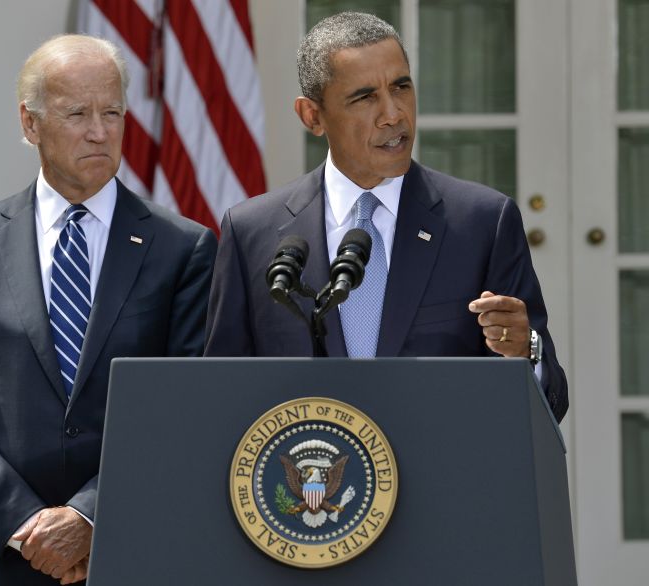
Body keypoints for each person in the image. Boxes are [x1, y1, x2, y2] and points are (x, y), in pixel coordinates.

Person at [0, 34, 216, 585]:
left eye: (112, 112)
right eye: (77, 113)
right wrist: (27, 525)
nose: (99, 131)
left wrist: (89, 515)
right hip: (1, 556)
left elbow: (186, 408)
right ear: (30, 124)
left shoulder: (184, 249)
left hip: (133, 551)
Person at [204, 12, 568, 423]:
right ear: (312, 116)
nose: (393, 114)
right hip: (309, 482)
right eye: (364, 97)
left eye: (401, 87)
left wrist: (525, 352)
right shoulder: (253, 232)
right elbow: (222, 397)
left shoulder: (482, 223)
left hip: (443, 481)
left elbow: (550, 403)